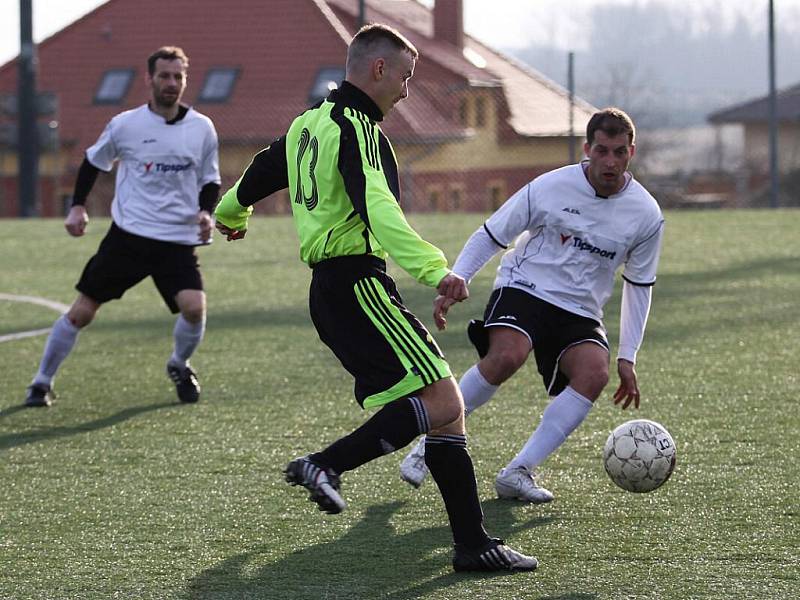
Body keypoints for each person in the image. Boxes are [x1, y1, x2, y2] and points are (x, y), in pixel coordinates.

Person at [214, 24, 537, 572]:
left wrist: (230, 211)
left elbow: (265, 168)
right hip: (358, 285)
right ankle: (325, 464)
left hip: (329, 291)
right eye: (406, 76)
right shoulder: (358, 127)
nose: (408, 90)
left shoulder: (308, 124)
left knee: (445, 414)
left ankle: (472, 544)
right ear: (378, 70)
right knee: (444, 402)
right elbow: (379, 209)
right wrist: (437, 271)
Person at [399, 108, 665, 504]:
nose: (610, 162)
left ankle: (518, 471)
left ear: (632, 152)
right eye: (603, 151)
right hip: (526, 286)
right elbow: (492, 233)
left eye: (620, 153)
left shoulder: (646, 214)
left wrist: (628, 356)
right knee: (507, 355)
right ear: (587, 149)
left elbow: (639, 286)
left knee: (594, 373)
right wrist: (459, 278)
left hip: (579, 310)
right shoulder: (550, 187)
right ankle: (430, 447)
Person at [24, 46, 221, 408]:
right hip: (129, 237)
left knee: (194, 308)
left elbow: (210, 180)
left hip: (177, 239)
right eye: (164, 76)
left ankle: (179, 364)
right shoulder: (125, 125)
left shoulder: (202, 128)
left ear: (185, 80)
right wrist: (78, 206)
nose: (171, 83)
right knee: (82, 312)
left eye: (178, 76)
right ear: (149, 79)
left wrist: (206, 213)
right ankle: (41, 382)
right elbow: (92, 162)